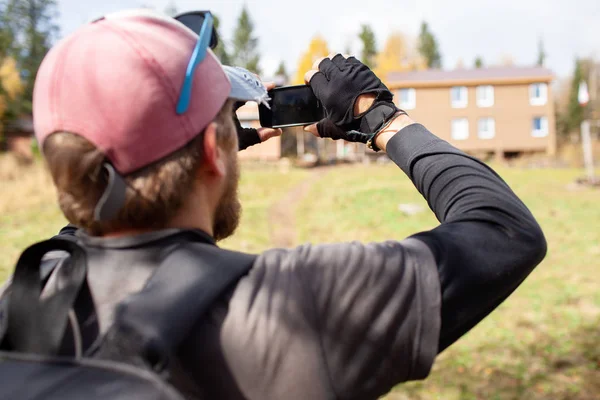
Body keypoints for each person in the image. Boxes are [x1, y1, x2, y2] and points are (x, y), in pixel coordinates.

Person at [19, 8, 547, 400]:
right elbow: (503, 232)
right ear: (211, 151)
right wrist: (382, 119)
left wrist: (213, 141)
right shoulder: (291, 306)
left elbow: (88, 210)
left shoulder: (29, 295)